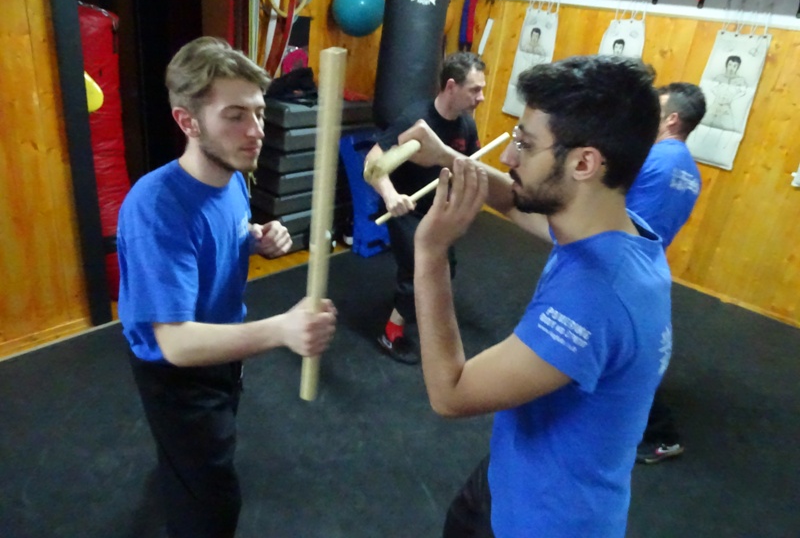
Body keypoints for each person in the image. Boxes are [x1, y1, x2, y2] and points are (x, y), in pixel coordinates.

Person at [399, 55, 672, 536]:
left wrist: (430, 253)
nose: (508, 157)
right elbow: (516, 199)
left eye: (524, 145)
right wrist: (446, 157)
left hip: (544, 521)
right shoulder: (618, 233)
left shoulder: (593, 298)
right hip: (512, 478)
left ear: (583, 163)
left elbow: (451, 392)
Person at [117, 36, 337, 538]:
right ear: (188, 122)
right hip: (179, 372)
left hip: (223, 351)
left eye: (258, 113)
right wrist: (282, 330)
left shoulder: (232, 175)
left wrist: (255, 240)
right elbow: (175, 342)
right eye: (235, 115)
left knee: (193, 458)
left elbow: (220, 236)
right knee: (212, 504)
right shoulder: (156, 208)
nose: (255, 131)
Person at [364, 51, 486, 364]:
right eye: (475, 90)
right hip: (406, 206)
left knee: (448, 267)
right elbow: (373, 160)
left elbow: (469, 165)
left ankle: (422, 308)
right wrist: (390, 196)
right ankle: (390, 332)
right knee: (419, 266)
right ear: (450, 87)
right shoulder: (415, 121)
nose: (481, 97)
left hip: (438, 209)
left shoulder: (466, 127)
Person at [626, 82, 706, 463]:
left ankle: (663, 435)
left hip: (625, 262)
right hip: (650, 264)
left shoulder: (654, 158)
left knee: (631, 352)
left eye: (656, 110)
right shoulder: (691, 171)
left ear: (672, 118)